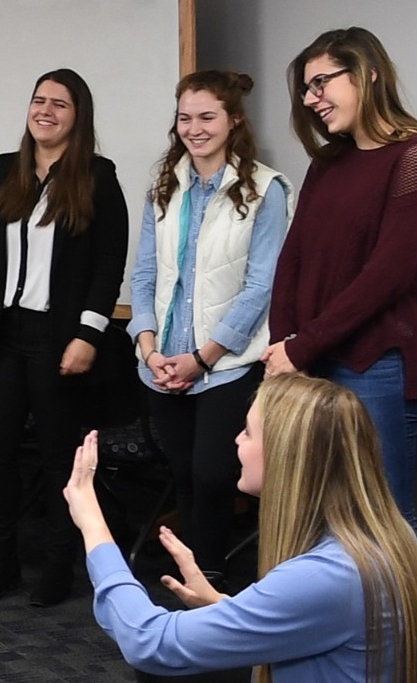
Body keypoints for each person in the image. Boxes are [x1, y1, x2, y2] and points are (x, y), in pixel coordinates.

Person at [65, 373, 417, 683]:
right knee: (178, 674)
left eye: (247, 431)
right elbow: (326, 632)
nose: (236, 441)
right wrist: (223, 607)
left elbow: (148, 642)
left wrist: (92, 524)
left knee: (165, 662)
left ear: (286, 453)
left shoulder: (328, 574)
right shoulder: (386, 536)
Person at [262, 27, 417, 558]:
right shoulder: (328, 163)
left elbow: (387, 275)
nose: (311, 99)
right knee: (322, 516)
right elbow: (293, 258)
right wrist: (286, 346)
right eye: (306, 89)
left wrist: (301, 346)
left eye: (321, 82)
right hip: (311, 358)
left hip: (376, 364)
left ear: (368, 74)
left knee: (384, 517)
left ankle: (407, 618)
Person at [0, 68, 127, 607]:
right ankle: (0, 561)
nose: (45, 111)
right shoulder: (1, 170)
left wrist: (89, 335)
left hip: (59, 337)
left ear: (79, 117)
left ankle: (58, 567)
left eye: (60, 104)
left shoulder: (97, 176)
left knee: (58, 457)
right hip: (2, 334)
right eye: (39, 100)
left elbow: (109, 264)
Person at [128, 70, 292, 578]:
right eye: (185, 118)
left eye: (207, 117)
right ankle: (190, 576)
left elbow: (262, 286)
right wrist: (149, 349)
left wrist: (203, 358)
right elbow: (145, 274)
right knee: (183, 475)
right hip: (162, 362)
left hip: (227, 364)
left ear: (234, 120)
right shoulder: (164, 187)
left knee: (214, 475)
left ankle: (211, 578)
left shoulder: (265, 189)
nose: (194, 129)